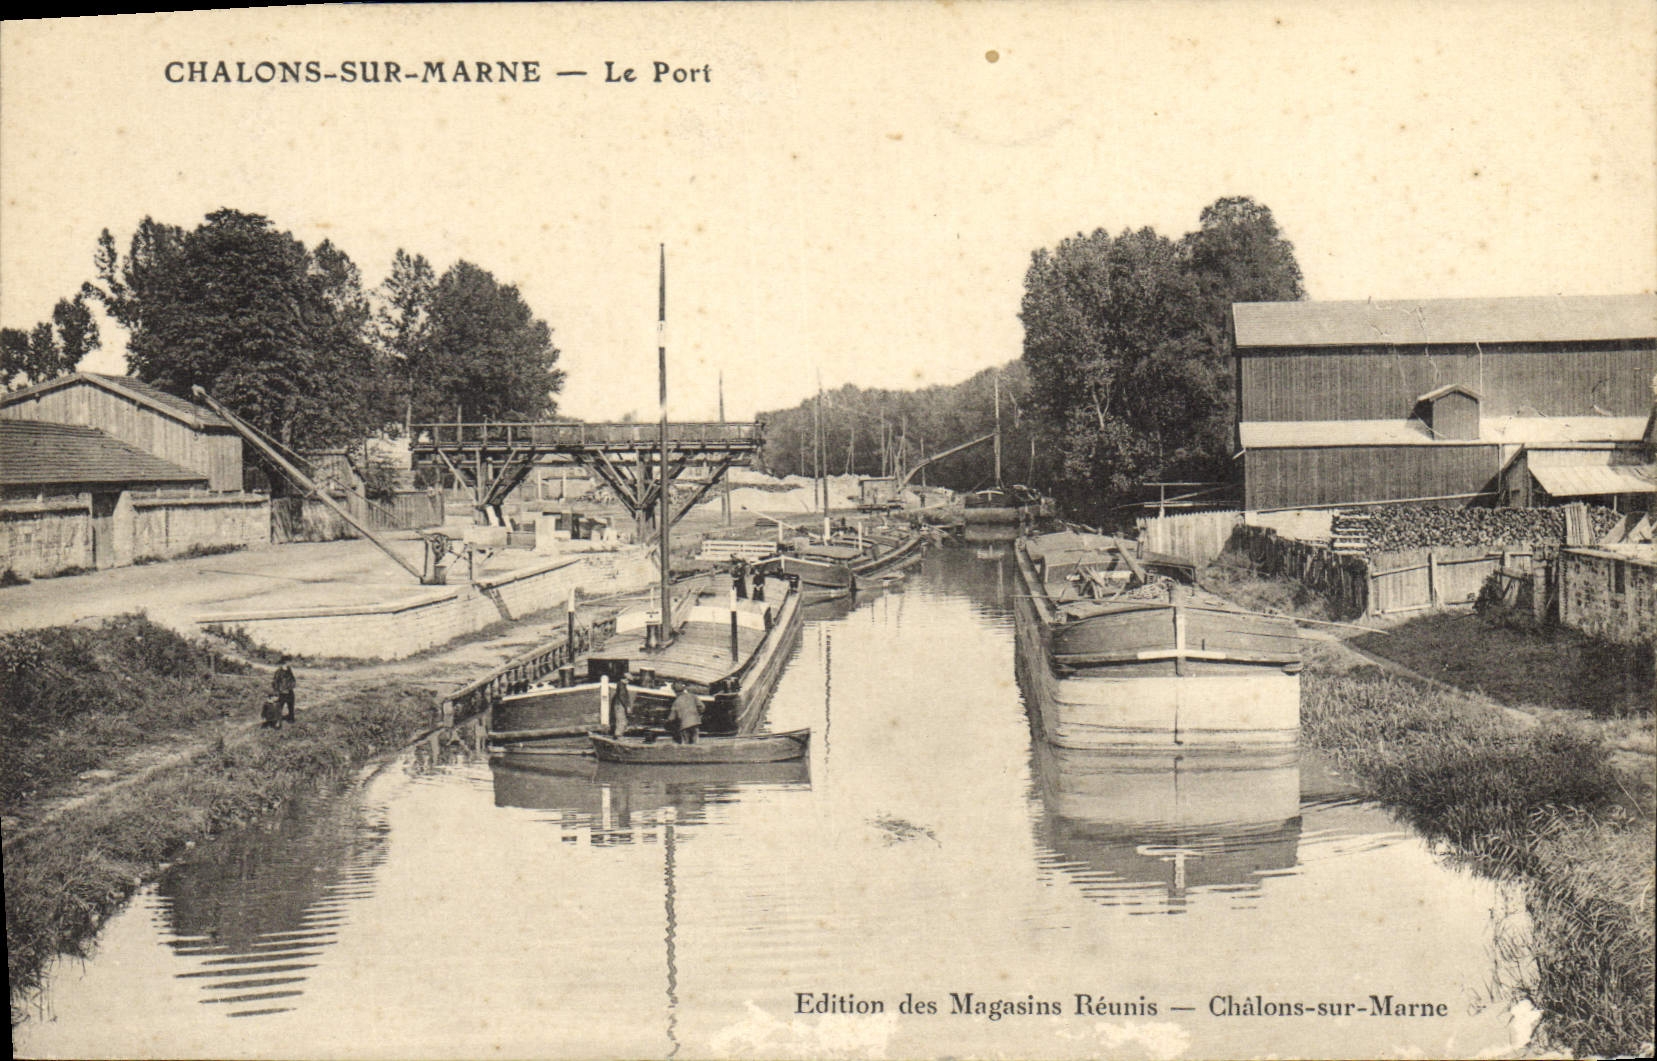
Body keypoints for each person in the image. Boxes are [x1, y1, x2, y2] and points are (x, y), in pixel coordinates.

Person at [273, 656, 296, 723]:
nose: (291, 663)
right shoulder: (279, 671)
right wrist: (278, 691)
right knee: (280, 706)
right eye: (289, 661)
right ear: (285, 662)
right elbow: (275, 682)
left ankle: (291, 719)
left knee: (291, 705)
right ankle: (276, 720)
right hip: (282, 692)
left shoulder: (289, 670)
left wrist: (292, 685)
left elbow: (293, 679)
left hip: (290, 691)